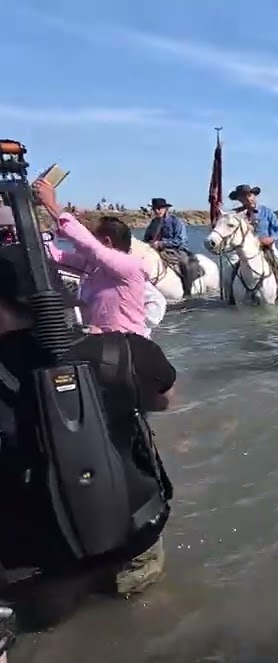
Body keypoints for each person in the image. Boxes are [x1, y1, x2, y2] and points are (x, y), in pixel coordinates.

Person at [0, 210, 176, 631]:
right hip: (137, 534)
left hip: (39, 565)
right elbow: (164, 400)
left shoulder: (126, 261)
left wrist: (58, 213)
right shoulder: (125, 342)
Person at [32, 178, 150, 336]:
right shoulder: (94, 266)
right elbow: (57, 256)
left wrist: (52, 205)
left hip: (131, 346)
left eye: (93, 236)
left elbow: (90, 247)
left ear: (107, 242)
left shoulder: (130, 266)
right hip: (104, 344)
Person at [143, 197, 199, 299]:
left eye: (159, 208)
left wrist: (161, 243)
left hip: (176, 250)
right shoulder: (153, 223)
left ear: (165, 209)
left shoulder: (176, 222)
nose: (157, 211)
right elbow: (146, 238)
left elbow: (181, 240)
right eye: (155, 209)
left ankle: (187, 291)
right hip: (156, 250)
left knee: (184, 262)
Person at [229, 183, 278, 249]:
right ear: (240, 200)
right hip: (243, 249)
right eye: (243, 197)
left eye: (249, 195)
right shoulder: (236, 214)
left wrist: (271, 238)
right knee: (233, 257)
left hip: (266, 248)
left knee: (277, 259)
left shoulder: (266, 211)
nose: (248, 199)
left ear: (254, 196)